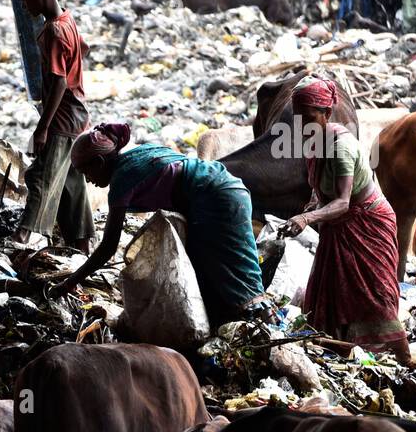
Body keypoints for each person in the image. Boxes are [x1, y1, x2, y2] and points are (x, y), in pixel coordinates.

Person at [56, 123, 269, 324]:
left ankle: (258, 323)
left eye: (86, 173)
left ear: (100, 163)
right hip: (228, 187)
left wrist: (69, 282)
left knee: (229, 271)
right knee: (224, 264)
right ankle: (234, 321)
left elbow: (108, 247)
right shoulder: (138, 154)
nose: (87, 180)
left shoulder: (121, 181)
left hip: (215, 197)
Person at [278, 77, 410, 363]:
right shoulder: (314, 143)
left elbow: (342, 202)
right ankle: (340, 350)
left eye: (309, 117)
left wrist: (307, 217)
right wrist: (311, 205)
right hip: (339, 228)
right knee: (329, 295)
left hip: (368, 224)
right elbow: (320, 189)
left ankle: (403, 358)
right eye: (298, 118)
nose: (302, 125)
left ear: (326, 114)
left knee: (374, 298)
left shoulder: (341, 147)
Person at [9, 0, 94, 253]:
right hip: (77, 115)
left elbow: (58, 83)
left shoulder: (56, 32)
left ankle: (23, 240)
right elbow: (84, 48)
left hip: (62, 117)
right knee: (71, 181)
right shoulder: (67, 21)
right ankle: (81, 244)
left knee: (41, 177)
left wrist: (42, 127)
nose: (24, 5)